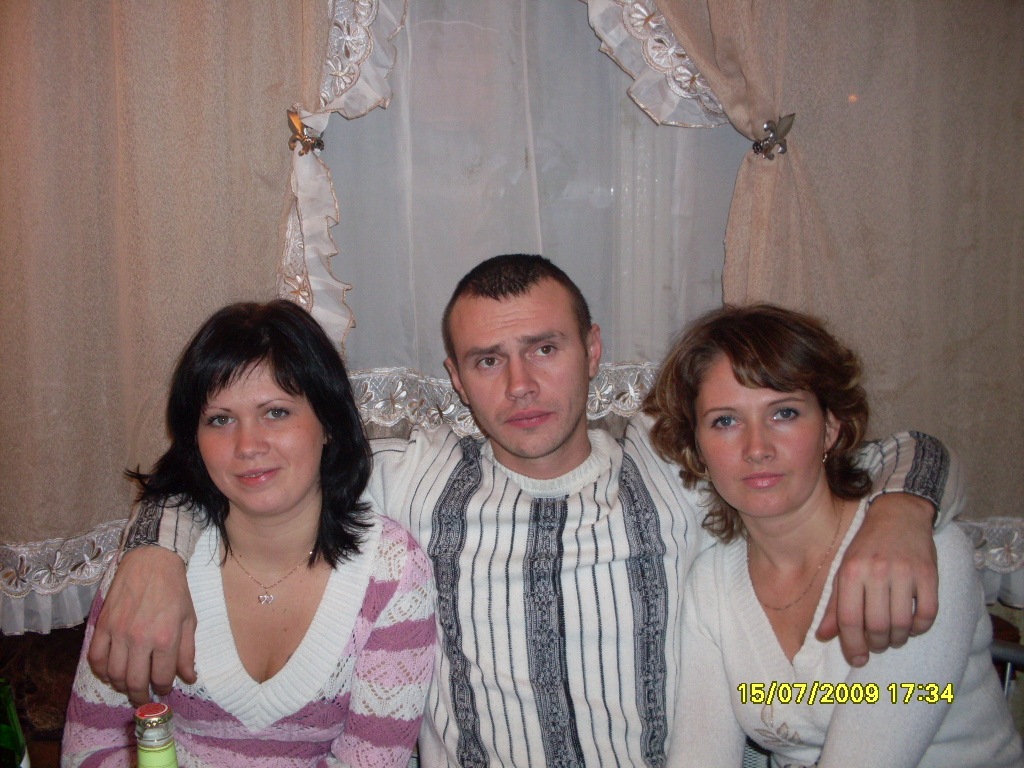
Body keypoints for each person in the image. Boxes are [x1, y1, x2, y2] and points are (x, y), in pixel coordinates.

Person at [89, 257, 961, 768]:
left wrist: (903, 511)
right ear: (454, 377)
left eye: (545, 348)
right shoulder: (410, 478)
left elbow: (859, 458)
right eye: (487, 360)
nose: (521, 385)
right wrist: (155, 550)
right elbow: (251, 467)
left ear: (592, 349)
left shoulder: (681, 463)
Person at [63, 300, 436, 767]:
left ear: (328, 424)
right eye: (220, 419)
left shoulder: (392, 573)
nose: (247, 445)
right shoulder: (147, 568)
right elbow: (90, 748)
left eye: (275, 412)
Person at [646, 304, 1021, 768]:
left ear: (830, 429)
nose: (757, 448)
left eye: (784, 413)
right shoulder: (712, 582)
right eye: (725, 421)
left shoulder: (916, 555)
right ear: (696, 447)